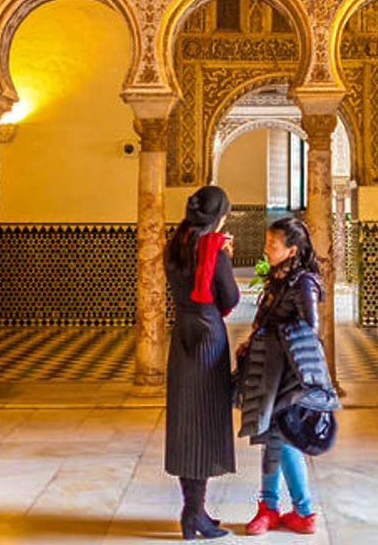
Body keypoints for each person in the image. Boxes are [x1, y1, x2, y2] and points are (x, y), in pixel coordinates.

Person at [234, 216, 338, 536]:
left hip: (288, 373)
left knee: (281, 435)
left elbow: (310, 327)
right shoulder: (280, 277)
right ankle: (277, 508)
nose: (267, 249)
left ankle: (295, 509)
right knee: (273, 434)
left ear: (291, 250)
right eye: (267, 243)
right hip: (270, 368)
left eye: (273, 245)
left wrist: (269, 335)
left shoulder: (304, 282)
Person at [164, 184, 240, 540]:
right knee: (206, 419)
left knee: (186, 422)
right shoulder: (214, 250)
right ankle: (194, 513)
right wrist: (223, 255)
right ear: (218, 216)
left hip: (182, 334)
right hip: (208, 335)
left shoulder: (175, 244)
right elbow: (230, 297)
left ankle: (194, 510)